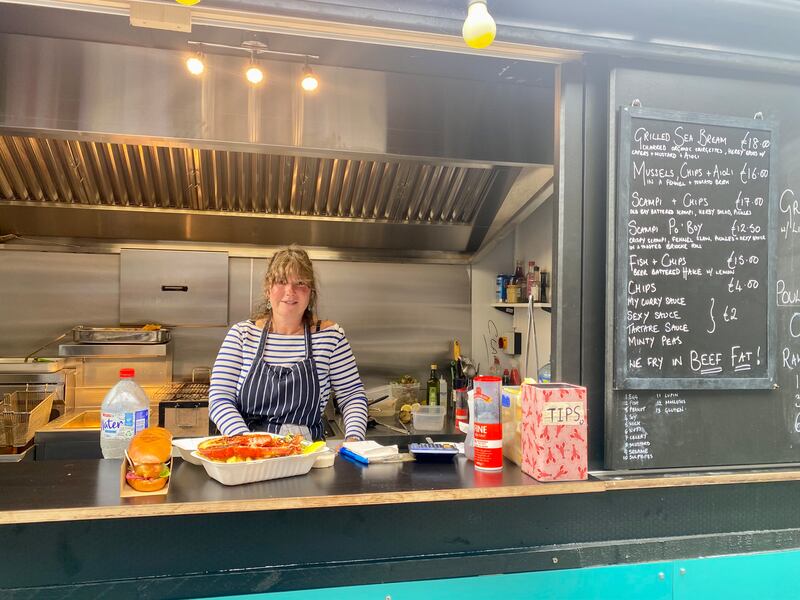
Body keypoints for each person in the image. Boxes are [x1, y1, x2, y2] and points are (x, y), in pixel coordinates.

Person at [209, 246, 368, 442]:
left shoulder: (330, 337)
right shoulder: (242, 335)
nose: (290, 291)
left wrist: (354, 439)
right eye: (281, 282)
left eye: (300, 283)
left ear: (310, 292)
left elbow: (352, 396)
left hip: (307, 455)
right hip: (248, 453)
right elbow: (220, 398)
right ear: (268, 289)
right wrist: (246, 441)